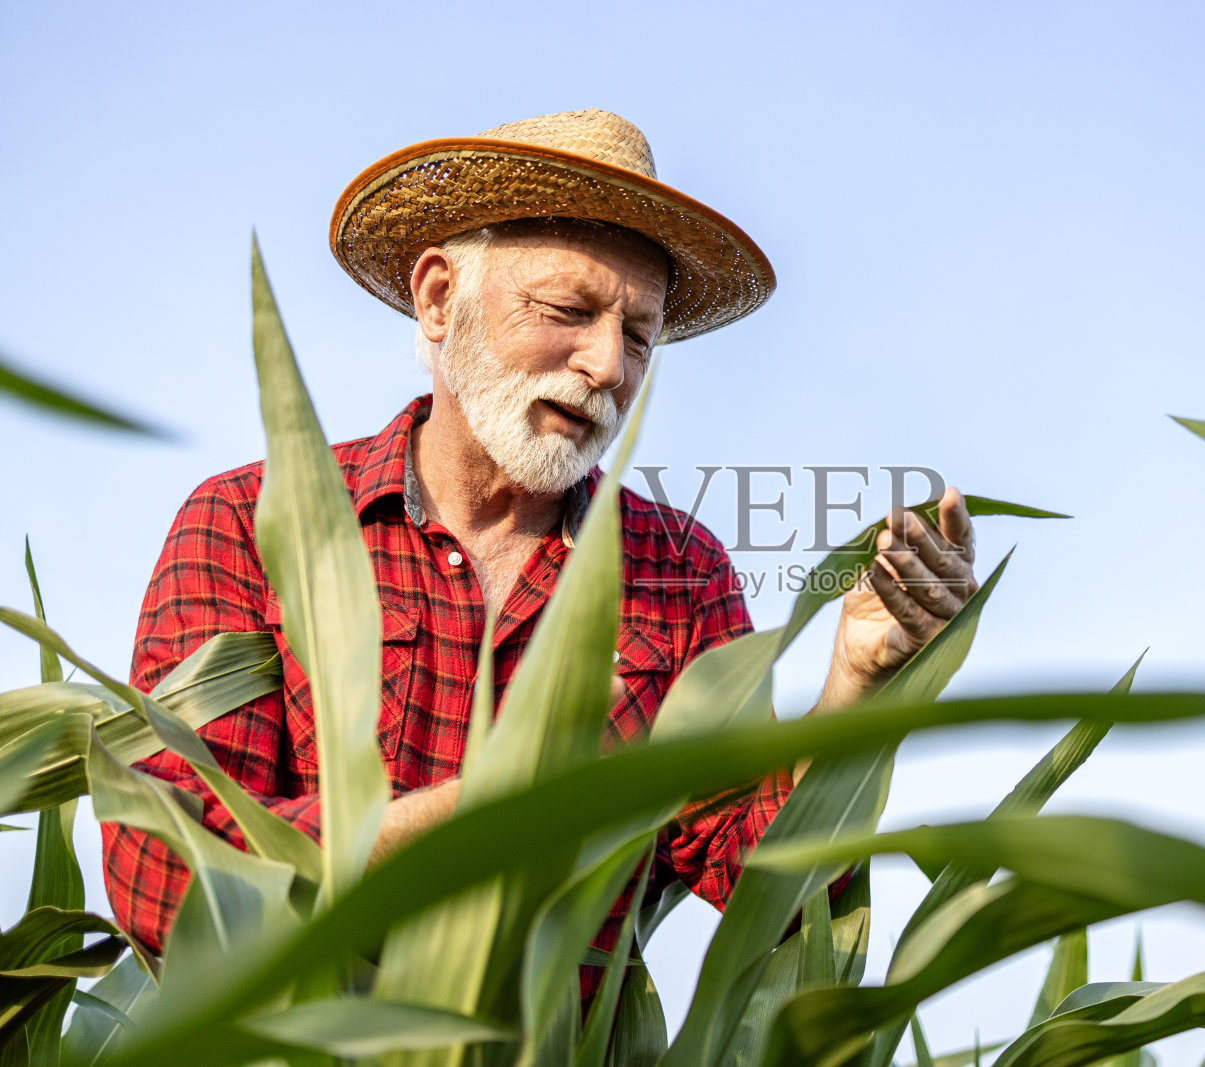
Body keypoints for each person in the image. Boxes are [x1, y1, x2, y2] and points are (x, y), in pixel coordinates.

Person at [101, 110, 978, 994]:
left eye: (639, 336)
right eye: (568, 310)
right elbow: (169, 878)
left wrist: (855, 685)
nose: (609, 366)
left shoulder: (679, 574)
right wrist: (498, 807)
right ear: (440, 298)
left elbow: (777, 892)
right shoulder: (247, 522)